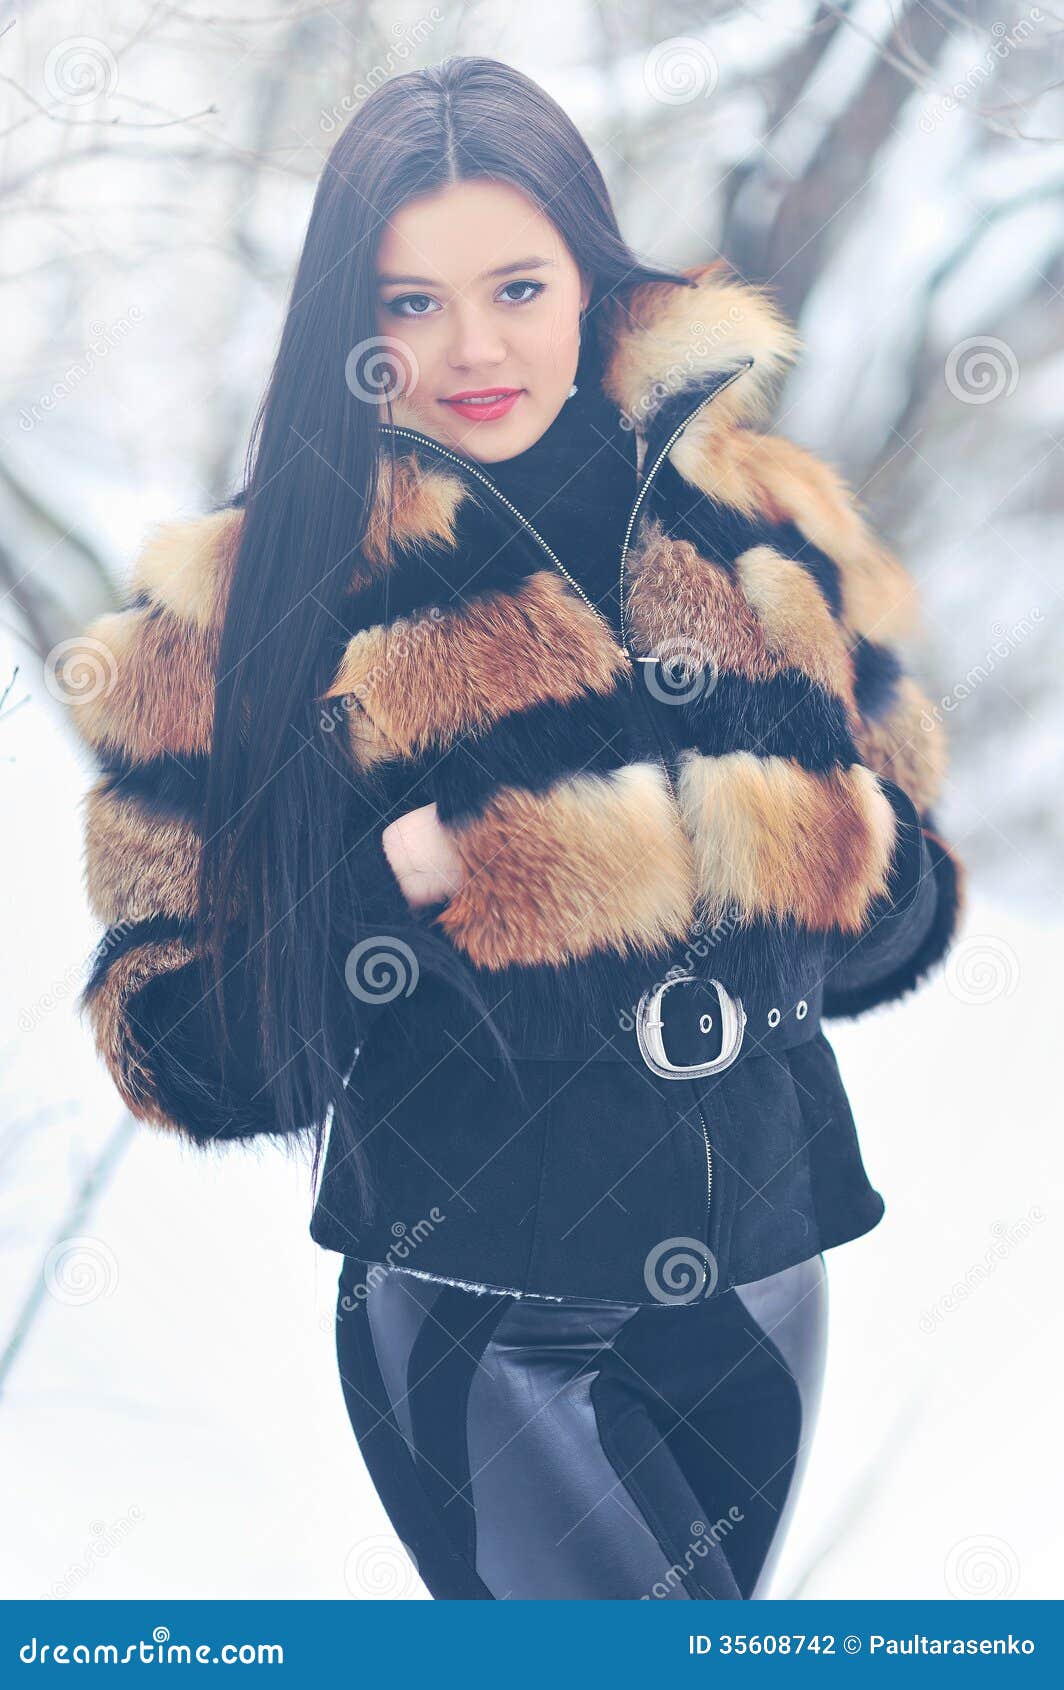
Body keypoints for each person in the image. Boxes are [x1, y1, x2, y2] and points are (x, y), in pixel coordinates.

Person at [68, 56, 965, 1599]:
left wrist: (806, 830)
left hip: (761, 1277)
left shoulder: (761, 521)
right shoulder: (245, 600)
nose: (470, 346)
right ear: (349, 324)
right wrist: (394, 879)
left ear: (591, 277)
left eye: (517, 285)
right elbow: (191, 1047)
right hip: (489, 1312)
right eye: (409, 304)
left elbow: (905, 912)